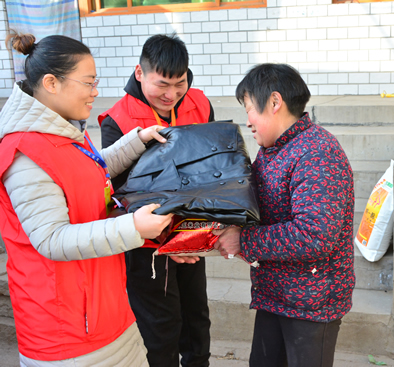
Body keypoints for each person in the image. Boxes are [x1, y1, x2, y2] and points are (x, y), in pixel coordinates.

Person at [0, 33, 172, 366]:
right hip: (66, 333)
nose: (96, 92)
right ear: (52, 83)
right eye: (89, 83)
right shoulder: (26, 153)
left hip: (106, 312)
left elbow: (92, 169)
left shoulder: (62, 132)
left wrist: (138, 140)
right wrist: (134, 227)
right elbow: (51, 239)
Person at [214, 63, 356, 367]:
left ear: (275, 103)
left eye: (250, 109)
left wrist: (243, 240)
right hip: (276, 293)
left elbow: (313, 236)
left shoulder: (317, 153)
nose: (248, 121)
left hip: (311, 303)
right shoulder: (274, 149)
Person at [99, 34, 214, 367]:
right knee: (161, 330)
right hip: (147, 245)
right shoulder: (118, 119)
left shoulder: (200, 103)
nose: (171, 94)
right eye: (162, 84)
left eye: (180, 83)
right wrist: (170, 239)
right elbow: (121, 196)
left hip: (193, 236)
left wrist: (196, 234)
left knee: (197, 320)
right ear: (139, 73)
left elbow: (211, 171)